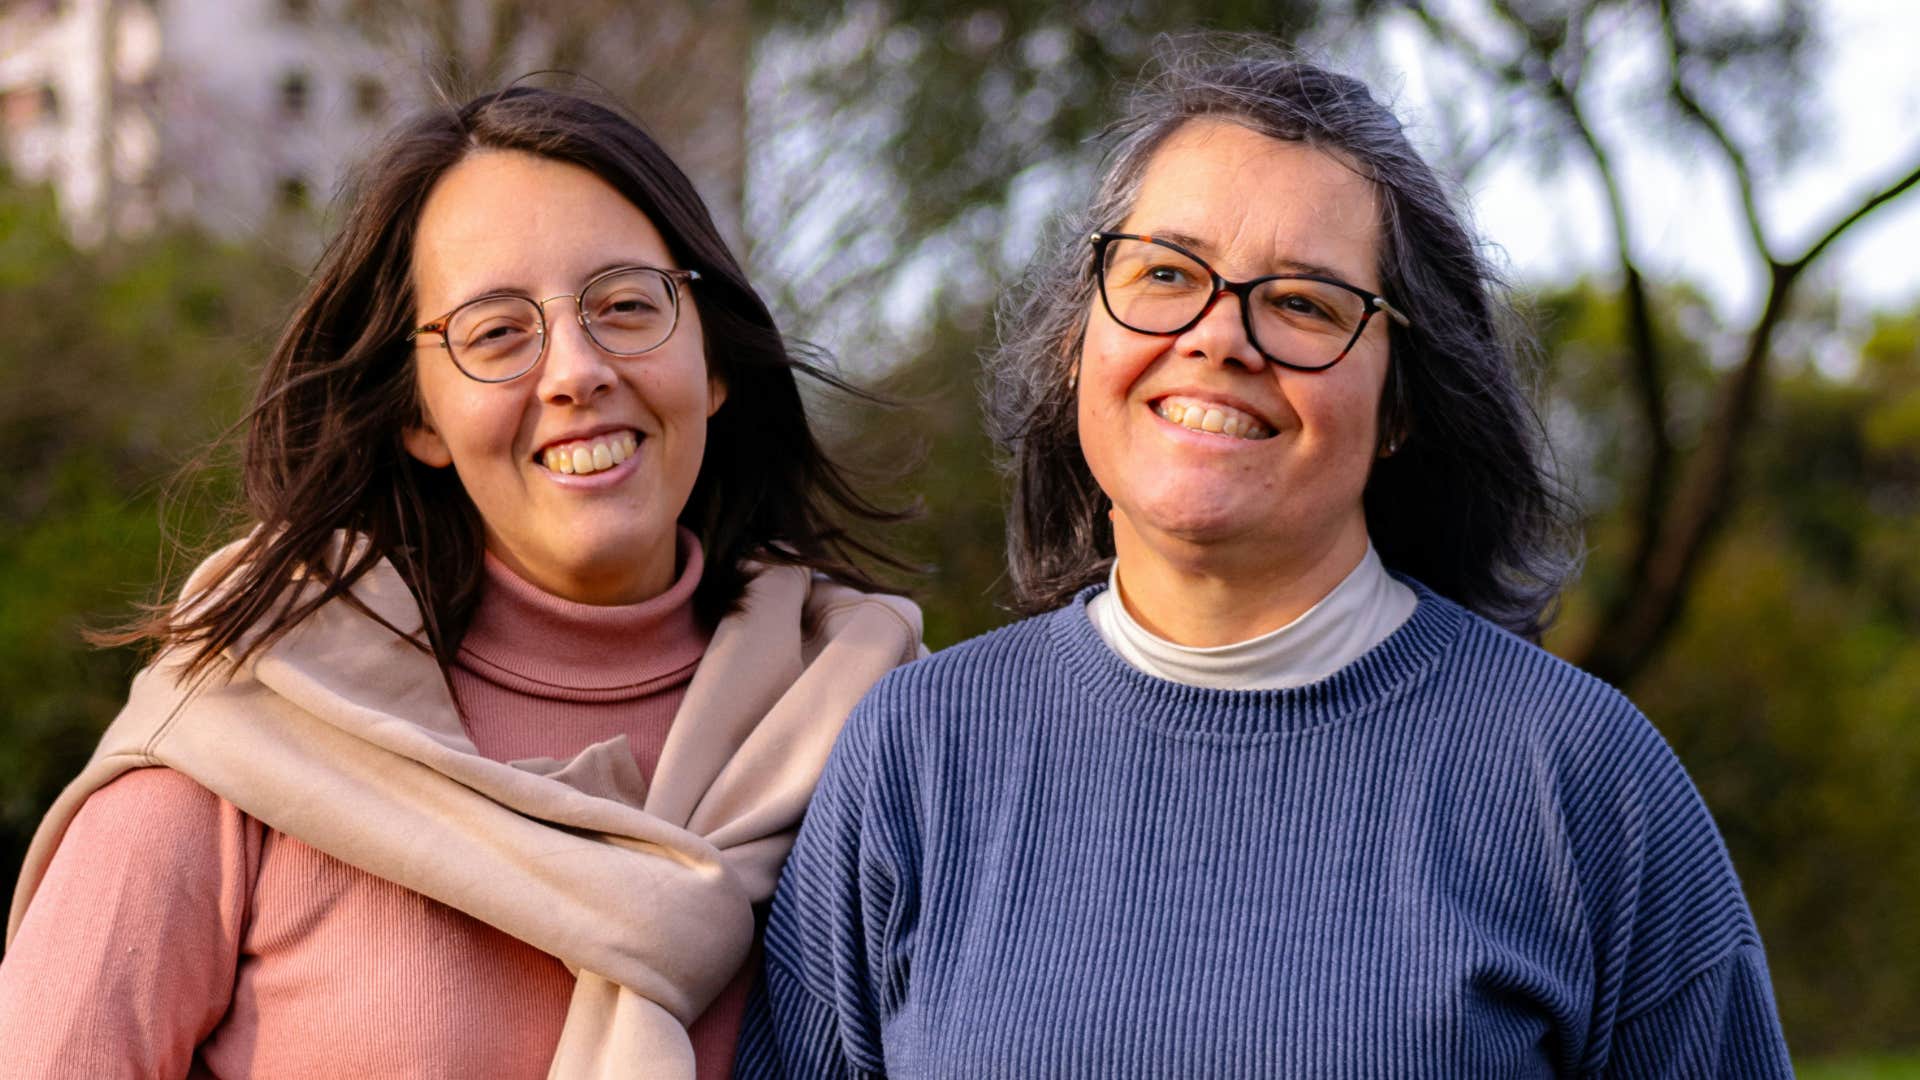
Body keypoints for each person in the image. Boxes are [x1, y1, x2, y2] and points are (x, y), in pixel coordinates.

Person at [739, 42, 1793, 1078]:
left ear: (1399, 409)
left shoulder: (1581, 782)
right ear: (1077, 344)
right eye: (1164, 273)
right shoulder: (918, 757)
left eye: (1303, 303)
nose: (1218, 337)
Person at [0, 86, 923, 1078]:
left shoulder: (885, 728)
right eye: (495, 334)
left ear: (712, 362)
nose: (577, 371)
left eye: (624, 307)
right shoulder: (241, 741)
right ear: (420, 419)